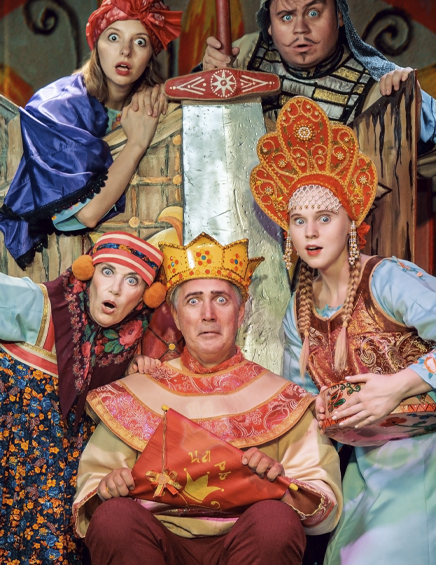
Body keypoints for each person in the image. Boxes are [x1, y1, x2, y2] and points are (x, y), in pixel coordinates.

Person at [73, 232, 343, 565]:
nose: (208, 314)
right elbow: (92, 488)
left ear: (241, 313)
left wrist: (281, 483)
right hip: (158, 544)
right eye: (193, 301)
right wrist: (108, 488)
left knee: (275, 521)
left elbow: (322, 499)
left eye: (221, 300)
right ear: (176, 316)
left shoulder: (282, 398)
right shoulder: (137, 393)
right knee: (113, 519)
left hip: (245, 543)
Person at [250, 95, 436, 565]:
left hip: (426, 454)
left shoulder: (387, 279)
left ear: (350, 223)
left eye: (324, 218)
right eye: (298, 220)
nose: (311, 232)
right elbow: (303, 398)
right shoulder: (299, 310)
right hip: (366, 468)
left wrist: (400, 384)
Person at [0, 231, 165, 564]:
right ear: (89, 273)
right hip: (5, 471)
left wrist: (134, 380)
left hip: (59, 495)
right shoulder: (40, 307)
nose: (115, 288)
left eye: (132, 280)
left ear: (145, 297)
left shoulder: (127, 348)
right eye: (107, 272)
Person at [0, 0, 183, 269]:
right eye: (113, 37)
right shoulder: (57, 108)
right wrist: (136, 143)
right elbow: (89, 213)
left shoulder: (151, 101)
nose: (126, 51)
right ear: (97, 46)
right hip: (53, 265)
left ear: (150, 55)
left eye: (140, 42)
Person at [201, 0, 436, 149]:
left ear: (339, 15)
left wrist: (412, 104)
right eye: (286, 17)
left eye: (313, 13)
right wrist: (207, 77)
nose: (300, 29)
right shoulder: (243, 55)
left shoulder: (378, 86)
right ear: (269, 26)